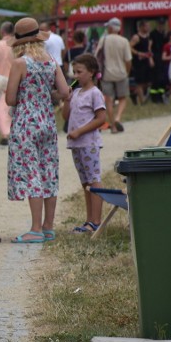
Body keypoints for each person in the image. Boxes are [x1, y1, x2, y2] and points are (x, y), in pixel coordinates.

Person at [6, 17, 70, 243]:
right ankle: (48, 226)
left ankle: (34, 229)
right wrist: (47, 95)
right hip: (47, 123)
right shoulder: (51, 61)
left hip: (26, 123)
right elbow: (64, 91)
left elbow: (10, 98)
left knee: (32, 172)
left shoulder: (20, 64)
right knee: (48, 170)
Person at [62, 54, 106, 234]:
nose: (76, 76)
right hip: (76, 145)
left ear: (92, 73)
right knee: (85, 183)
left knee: (93, 180)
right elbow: (66, 117)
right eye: (74, 72)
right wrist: (66, 100)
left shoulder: (95, 93)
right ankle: (89, 219)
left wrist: (79, 131)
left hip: (88, 143)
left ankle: (96, 220)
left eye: (79, 72)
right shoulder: (77, 93)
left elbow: (101, 119)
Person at [94, 17, 132, 133]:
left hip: (106, 74)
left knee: (108, 100)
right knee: (123, 98)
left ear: (110, 28)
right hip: (121, 73)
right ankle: (118, 118)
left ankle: (113, 126)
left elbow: (97, 56)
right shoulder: (124, 41)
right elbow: (128, 60)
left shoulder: (104, 40)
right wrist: (127, 72)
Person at [129, 20, 155, 104]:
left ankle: (134, 94)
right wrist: (138, 53)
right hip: (138, 62)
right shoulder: (136, 37)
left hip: (146, 61)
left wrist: (151, 59)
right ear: (141, 27)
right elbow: (129, 47)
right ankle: (142, 101)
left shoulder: (149, 37)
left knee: (148, 82)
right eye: (146, 26)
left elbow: (149, 49)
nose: (148, 28)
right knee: (139, 82)